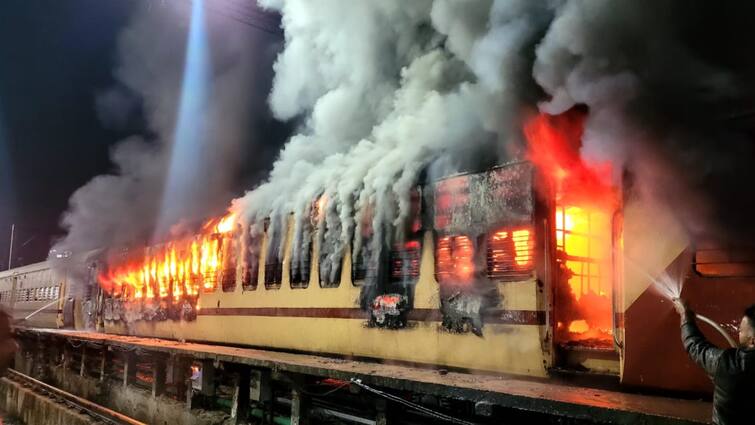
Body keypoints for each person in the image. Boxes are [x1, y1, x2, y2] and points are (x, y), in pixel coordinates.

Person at [673, 299, 755, 425]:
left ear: (752, 341)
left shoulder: (728, 365)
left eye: (741, 330)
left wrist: (685, 315)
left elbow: (695, 346)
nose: (739, 331)